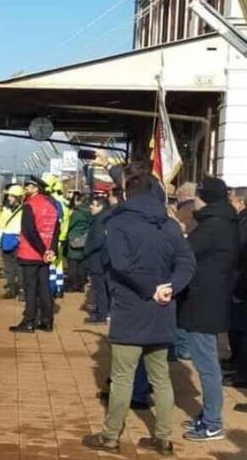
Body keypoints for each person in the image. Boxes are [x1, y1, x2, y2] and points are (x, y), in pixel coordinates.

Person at [82, 162, 196, 456]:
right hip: (162, 311)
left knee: (122, 377)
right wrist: (170, 287)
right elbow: (187, 263)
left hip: (131, 311)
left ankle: (110, 437)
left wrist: (149, 289)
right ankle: (163, 439)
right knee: (161, 377)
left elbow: (122, 265)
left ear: (127, 194)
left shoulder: (118, 223)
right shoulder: (170, 225)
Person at [176, 176, 239, 442]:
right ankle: (209, 416)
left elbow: (186, 252)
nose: (195, 201)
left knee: (207, 366)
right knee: (207, 363)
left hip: (204, 304)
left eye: (198, 196)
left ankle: (213, 422)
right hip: (209, 301)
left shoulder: (213, 226)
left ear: (206, 199)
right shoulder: (222, 222)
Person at [9, 176, 59, 333]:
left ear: (36, 188)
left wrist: (42, 250)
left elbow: (29, 231)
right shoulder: (52, 205)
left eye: (29, 186)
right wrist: (50, 250)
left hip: (31, 253)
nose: (26, 189)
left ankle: (29, 321)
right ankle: (47, 321)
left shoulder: (29, 205)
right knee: (44, 287)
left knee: (30, 288)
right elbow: (56, 230)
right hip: (46, 255)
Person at [224, 188, 247, 391]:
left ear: (241, 202)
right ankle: (238, 364)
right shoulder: (239, 221)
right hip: (238, 282)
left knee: (241, 331)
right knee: (236, 329)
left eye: (231, 200)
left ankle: (243, 373)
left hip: (242, 284)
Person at [83, 195, 110, 324]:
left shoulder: (100, 220)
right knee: (100, 287)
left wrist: (87, 250)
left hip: (98, 259)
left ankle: (101, 315)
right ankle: (101, 311)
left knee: (99, 288)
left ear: (100, 206)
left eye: (94, 205)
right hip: (101, 258)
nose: (91, 207)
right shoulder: (102, 218)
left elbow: (98, 240)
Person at [0, 185, 24, 300]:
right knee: (9, 268)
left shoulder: (24, 210)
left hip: (18, 241)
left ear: (18, 198)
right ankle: (12, 289)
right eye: (9, 196)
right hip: (6, 240)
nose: (9, 198)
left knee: (20, 268)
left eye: (12, 196)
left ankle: (22, 291)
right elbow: (0, 226)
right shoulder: (5, 210)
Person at [45, 175, 70, 299]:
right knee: (59, 264)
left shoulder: (54, 202)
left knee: (51, 264)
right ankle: (60, 288)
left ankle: (52, 288)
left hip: (55, 237)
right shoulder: (64, 203)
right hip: (63, 237)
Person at [66, 192, 91, 293]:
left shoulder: (76, 213)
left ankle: (73, 285)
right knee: (81, 264)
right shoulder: (89, 212)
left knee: (72, 265)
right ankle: (81, 285)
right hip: (84, 239)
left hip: (73, 240)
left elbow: (69, 225)